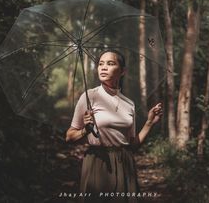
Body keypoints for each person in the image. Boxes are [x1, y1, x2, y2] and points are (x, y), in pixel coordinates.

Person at [65, 49, 163, 203]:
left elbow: (132, 144)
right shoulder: (89, 96)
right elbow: (69, 136)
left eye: (110, 64)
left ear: (122, 71)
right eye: (100, 64)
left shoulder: (129, 104)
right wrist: (85, 130)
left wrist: (150, 122)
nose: (103, 67)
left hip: (125, 162)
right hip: (98, 161)